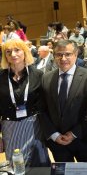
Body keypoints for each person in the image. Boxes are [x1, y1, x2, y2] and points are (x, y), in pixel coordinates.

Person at [40, 40, 87, 163]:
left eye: (68, 54)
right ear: (54, 56)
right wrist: (54, 135)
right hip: (58, 142)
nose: (63, 58)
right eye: (59, 54)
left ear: (76, 55)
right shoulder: (46, 78)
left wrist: (74, 134)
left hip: (83, 139)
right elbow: (42, 110)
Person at [0, 39, 50, 167]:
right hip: (9, 128)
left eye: (17, 50)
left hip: (34, 126)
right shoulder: (0, 77)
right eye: (8, 52)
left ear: (25, 52)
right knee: (16, 165)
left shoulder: (38, 75)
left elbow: (45, 105)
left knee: (38, 163)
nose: (13, 54)